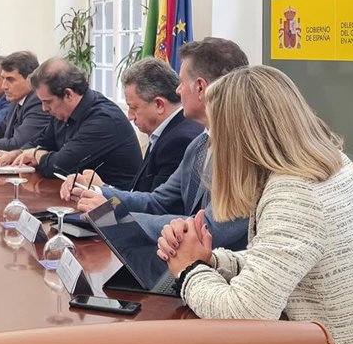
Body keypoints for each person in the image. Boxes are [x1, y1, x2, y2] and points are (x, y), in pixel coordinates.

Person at [157, 65, 353, 344]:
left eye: (216, 133)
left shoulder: (295, 194)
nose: (212, 145)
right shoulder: (326, 165)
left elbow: (245, 315)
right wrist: (212, 261)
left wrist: (188, 270)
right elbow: (279, 264)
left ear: (240, 139)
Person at [61, 37, 249, 247]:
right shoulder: (199, 144)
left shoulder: (244, 151)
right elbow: (159, 201)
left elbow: (211, 230)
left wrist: (115, 216)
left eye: (182, 83)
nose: (177, 91)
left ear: (200, 88)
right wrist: (98, 193)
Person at [0, 58, 142, 188]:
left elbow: (59, 167)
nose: (44, 108)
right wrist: (18, 153)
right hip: (77, 193)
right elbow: (42, 141)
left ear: (68, 94)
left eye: (47, 102)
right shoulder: (62, 111)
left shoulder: (103, 119)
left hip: (113, 201)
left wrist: (36, 154)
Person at [110, 58, 201, 191]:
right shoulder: (164, 132)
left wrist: (103, 191)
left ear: (159, 105)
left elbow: (156, 201)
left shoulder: (178, 142)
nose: (130, 116)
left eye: (133, 108)